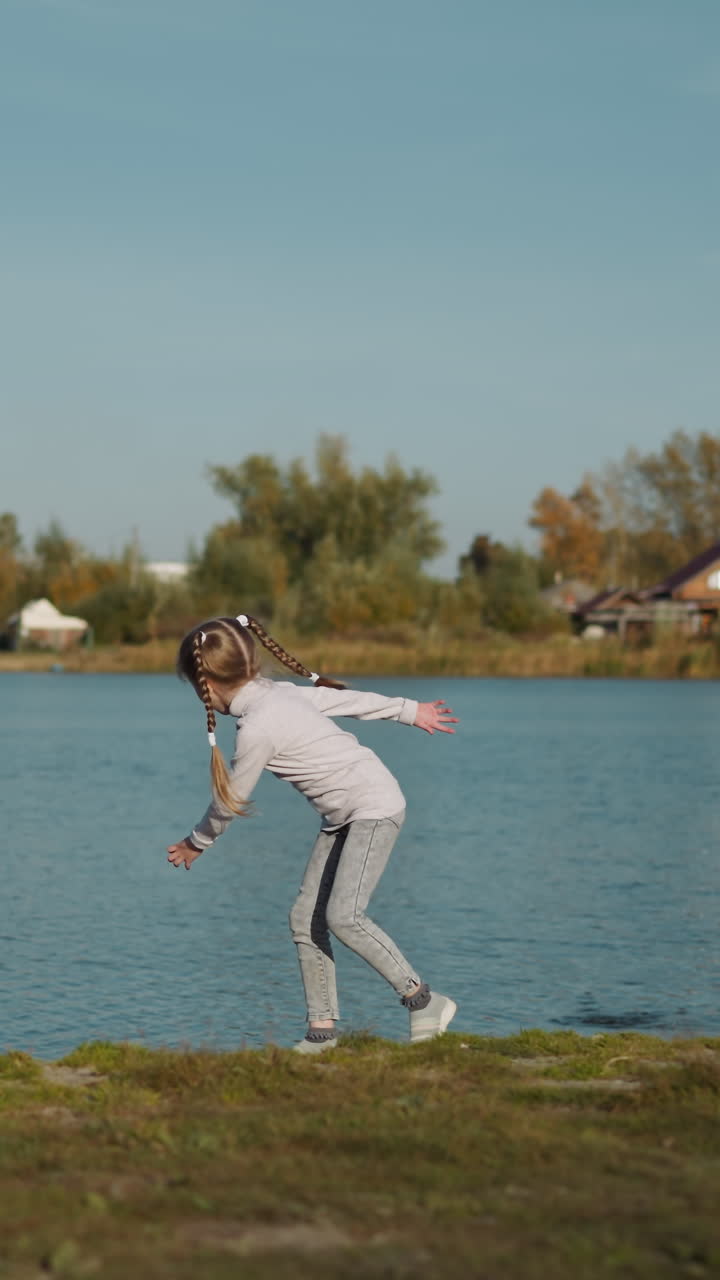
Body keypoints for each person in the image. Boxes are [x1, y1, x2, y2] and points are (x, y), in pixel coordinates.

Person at [167, 612, 458, 1054]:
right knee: (305, 919)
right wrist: (408, 710)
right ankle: (321, 1034)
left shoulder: (258, 727)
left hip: (374, 807)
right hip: (344, 814)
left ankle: (424, 1001)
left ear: (207, 685)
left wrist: (196, 842)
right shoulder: (278, 694)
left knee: (344, 917)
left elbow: (231, 801)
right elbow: (351, 701)